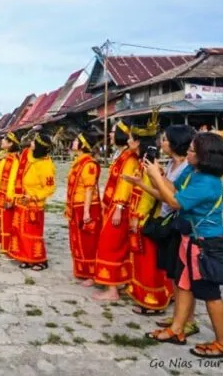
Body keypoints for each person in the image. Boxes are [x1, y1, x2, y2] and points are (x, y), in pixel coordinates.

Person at [144, 132, 223, 359]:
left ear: (206, 156)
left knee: (210, 293)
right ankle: (177, 329)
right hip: (190, 239)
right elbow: (174, 189)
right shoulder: (194, 172)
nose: (188, 153)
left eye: (193, 151)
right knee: (184, 285)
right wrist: (155, 173)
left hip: (205, 243)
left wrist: (155, 176)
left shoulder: (207, 182)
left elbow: (175, 202)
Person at [128, 125, 199, 336]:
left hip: (181, 223)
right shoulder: (170, 164)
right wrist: (142, 183)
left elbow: (176, 196)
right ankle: (180, 315)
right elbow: (162, 194)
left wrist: (157, 175)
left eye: (166, 140)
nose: (162, 143)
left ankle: (186, 321)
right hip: (169, 220)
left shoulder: (188, 167)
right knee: (175, 275)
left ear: (177, 142)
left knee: (183, 277)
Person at [121, 126, 172, 315]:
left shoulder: (151, 167)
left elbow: (150, 196)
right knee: (142, 262)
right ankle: (146, 295)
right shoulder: (144, 165)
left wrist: (139, 216)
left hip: (146, 219)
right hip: (140, 216)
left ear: (138, 143)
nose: (128, 142)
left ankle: (152, 301)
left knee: (149, 263)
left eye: (131, 139)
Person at [92, 120, 140, 301]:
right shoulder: (122, 155)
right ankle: (119, 281)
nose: (110, 134)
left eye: (113, 131)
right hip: (113, 206)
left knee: (110, 246)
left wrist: (119, 207)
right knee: (116, 246)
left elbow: (125, 185)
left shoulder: (129, 159)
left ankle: (112, 290)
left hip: (120, 207)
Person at [6, 132, 56, 271]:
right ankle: (25, 257)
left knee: (33, 234)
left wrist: (33, 196)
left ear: (39, 146)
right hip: (22, 201)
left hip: (34, 205)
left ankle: (39, 260)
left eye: (34, 142)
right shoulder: (26, 155)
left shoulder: (46, 166)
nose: (31, 143)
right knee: (20, 232)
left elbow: (50, 188)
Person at [65, 131, 102, 286]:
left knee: (88, 241)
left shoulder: (89, 165)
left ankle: (92, 274)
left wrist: (86, 211)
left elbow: (89, 188)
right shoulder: (79, 162)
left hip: (86, 207)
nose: (73, 142)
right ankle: (82, 270)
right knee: (78, 241)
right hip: (77, 206)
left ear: (83, 145)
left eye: (76, 140)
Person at [0, 131, 24, 255]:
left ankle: (9, 248)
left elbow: (14, 180)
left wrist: (10, 198)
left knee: (7, 222)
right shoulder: (2, 155)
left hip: (7, 196)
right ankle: (3, 245)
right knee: (0, 221)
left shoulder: (14, 159)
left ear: (10, 144)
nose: (2, 141)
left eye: (4, 139)